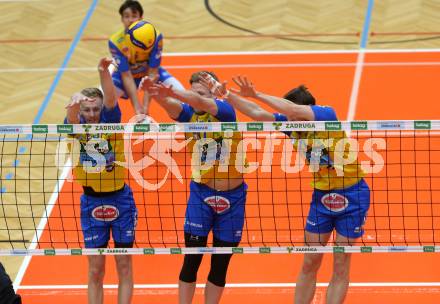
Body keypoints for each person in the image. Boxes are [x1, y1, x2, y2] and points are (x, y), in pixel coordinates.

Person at [204, 75, 370, 304]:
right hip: (321, 198)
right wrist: (227, 95)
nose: (290, 119)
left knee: (341, 262)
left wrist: (257, 94)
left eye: (294, 115)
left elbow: (289, 108)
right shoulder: (292, 127)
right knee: (311, 260)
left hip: (353, 196)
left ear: (306, 110)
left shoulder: (326, 116)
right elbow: (257, 113)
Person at [139, 71, 247, 304]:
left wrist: (178, 93)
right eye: (192, 92)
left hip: (234, 199)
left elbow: (194, 101)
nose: (194, 98)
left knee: (220, 265)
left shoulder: (225, 112)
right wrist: (153, 91)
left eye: (201, 94)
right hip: (202, 194)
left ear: (212, 96)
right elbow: (171, 106)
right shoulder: (189, 115)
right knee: (191, 260)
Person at [65, 58, 137, 304]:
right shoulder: (74, 126)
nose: (93, 114)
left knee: (124, 265)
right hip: (91, 203)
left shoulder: (110, 120)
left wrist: (102, 71)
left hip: (121, 199)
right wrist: (75, 101)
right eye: (88, 110)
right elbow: (72, 116)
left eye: (95, 109)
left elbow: (110, 99)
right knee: (96, 269)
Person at [109, 0, 184, 117]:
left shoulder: (155, 37)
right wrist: (137, 108)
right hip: (125, 76)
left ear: (141, 18)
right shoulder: (115, 41)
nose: (130, 20)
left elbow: (153, 72)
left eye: (134, 16)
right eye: (126, 16)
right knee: (104, 99)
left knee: (183, 95)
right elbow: (126, 75)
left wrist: (145, 107)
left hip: (149, 74)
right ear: (122, 19)